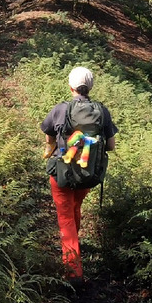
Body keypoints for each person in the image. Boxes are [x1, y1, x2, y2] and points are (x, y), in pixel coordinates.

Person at [40, 67, 118, 285]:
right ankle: (73, 248)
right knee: (74, 208)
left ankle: (73, 272)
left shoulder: (61, 109)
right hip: (87, 173)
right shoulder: (102, 111)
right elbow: (111, 146)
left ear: (70, 86)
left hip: (62, 174)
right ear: (90, 87)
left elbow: (49, 137)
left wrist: (53, 147)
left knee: (65, 219)